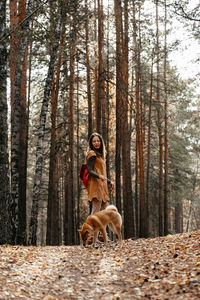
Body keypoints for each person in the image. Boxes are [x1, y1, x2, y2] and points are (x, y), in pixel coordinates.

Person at [86, 132, 114, 214]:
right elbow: (90, 170)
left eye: (98, 141)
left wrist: (110, 182)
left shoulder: (100, 156)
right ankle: (90, 227)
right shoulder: (92, 154)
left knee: (108, 213)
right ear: (91, 143)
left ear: (101, 142)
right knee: (95, 212)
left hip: (102, 188)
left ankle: (100, 227)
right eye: (94, 141)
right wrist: (99, 176)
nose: (96, 143)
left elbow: (102, 174)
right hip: (96, 188)